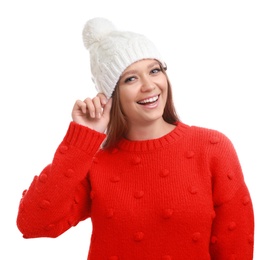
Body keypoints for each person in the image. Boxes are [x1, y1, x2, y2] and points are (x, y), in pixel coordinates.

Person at [16, 17, 254, 259]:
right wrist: (82, 140)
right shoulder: (95, 163)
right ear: (111, 95)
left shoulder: (212, 148)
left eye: (155, 71)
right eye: (131, 78)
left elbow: (235, 248)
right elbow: (33, 223)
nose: (149, 85)